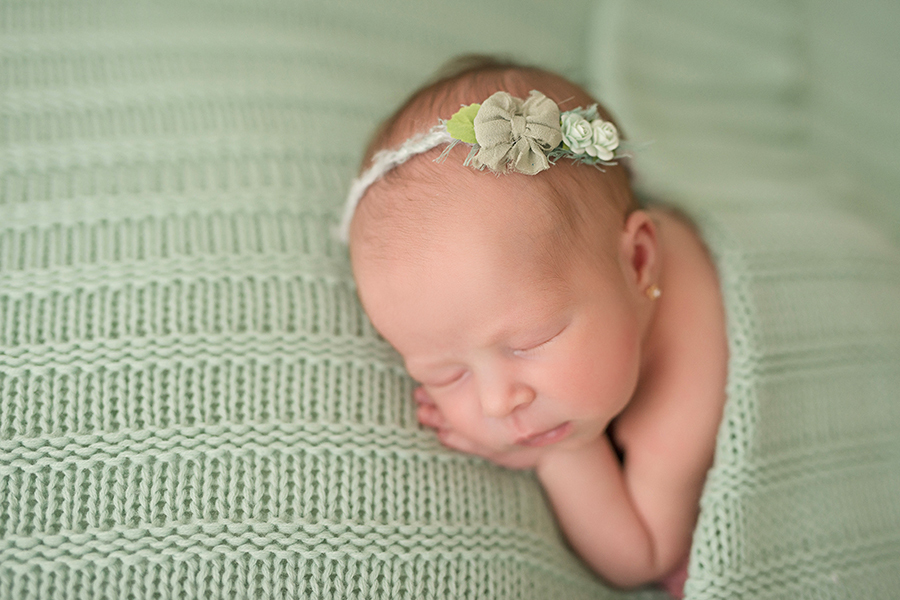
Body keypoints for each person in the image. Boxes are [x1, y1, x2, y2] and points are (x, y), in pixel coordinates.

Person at [338, 57, 729, 597]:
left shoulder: (681, 401)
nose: (499, 403)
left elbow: (641, 555)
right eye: (446, 374)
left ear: (639, 262)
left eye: (530, 343)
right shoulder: (590, 265)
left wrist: (557, 455)